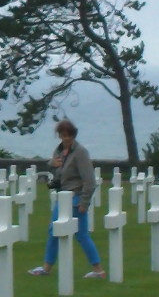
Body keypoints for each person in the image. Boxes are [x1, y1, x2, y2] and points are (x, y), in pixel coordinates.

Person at [28, 119, 106, 279]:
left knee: (81, 234)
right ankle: (47, 268)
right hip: (62, 197)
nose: (65, 138)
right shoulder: (59, 152)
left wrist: (84, 202)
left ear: (73, 135)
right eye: (62, 135)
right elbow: (57, 172)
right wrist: (51, 164)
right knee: (53, 231)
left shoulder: (80, 152)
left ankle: (98, 270)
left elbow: (89, 180)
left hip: (75, 197)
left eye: (68, 135)